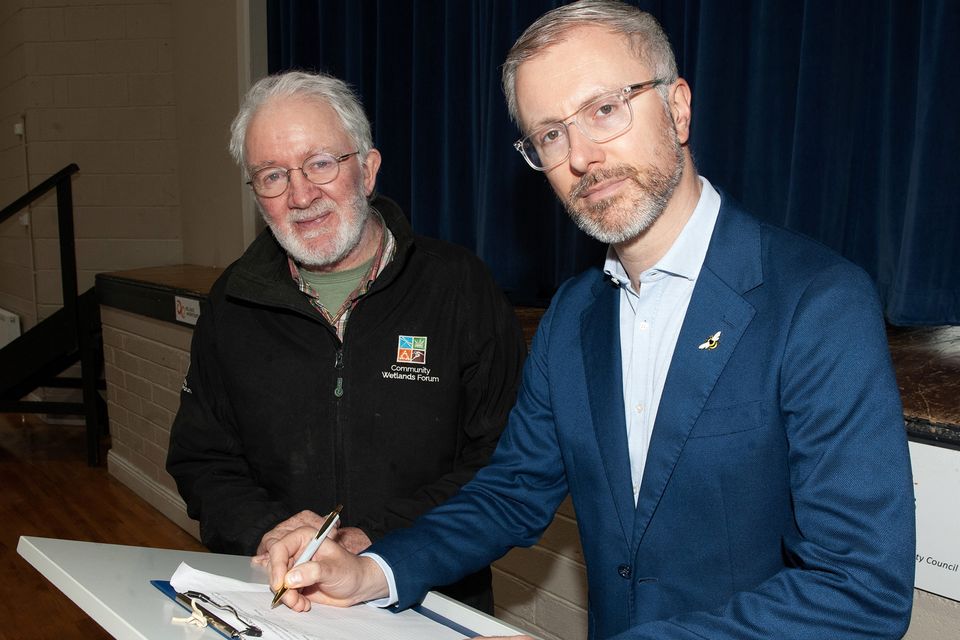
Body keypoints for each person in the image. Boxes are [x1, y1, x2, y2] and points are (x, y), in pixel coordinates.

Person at [266, 2, 916, 638]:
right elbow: (512, 492)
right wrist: (374, 571)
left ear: (678, 107)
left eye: (604, 110)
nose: (581, 156)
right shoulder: (574, 316)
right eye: (550, 133)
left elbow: (857, 591)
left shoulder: (818, 303)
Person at [165, 70, 526, 613]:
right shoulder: (232, 304)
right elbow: (202, 459)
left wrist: (369, 539)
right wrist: (271, 531)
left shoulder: (459, 289)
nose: (301, 194)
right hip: (284, 603)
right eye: (272, 175)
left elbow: (503, 460)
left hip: (432, 599)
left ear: (368, 169)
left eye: (321, 163)